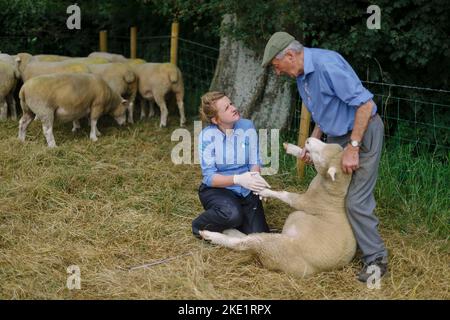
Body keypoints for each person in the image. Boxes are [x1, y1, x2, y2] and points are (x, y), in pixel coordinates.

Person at [261, 31, 388, 282]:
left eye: (277, 67)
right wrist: (315, 140)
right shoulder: (301, 76)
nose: (277, 73)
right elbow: (321, 109)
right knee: (328, 193)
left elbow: (365, 105)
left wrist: (353, 147)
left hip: (361, 132)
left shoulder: (327, 65)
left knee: (355, 200)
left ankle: (376, 257)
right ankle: (341, 241)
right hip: (338, 134)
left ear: (289, 55)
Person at [192, 91, 271, 238]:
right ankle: (199, 227)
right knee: (232, 215)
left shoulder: (247, 126)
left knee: (260, 237)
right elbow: (209, 177)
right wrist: (238, 179)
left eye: (231, 104)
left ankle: (232, 224)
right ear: (216, 120)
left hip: (246, 189)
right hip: (219, 189)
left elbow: (255, 160)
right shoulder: (206, 136)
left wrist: (255, 179)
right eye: (226, 108)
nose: (233, 108)